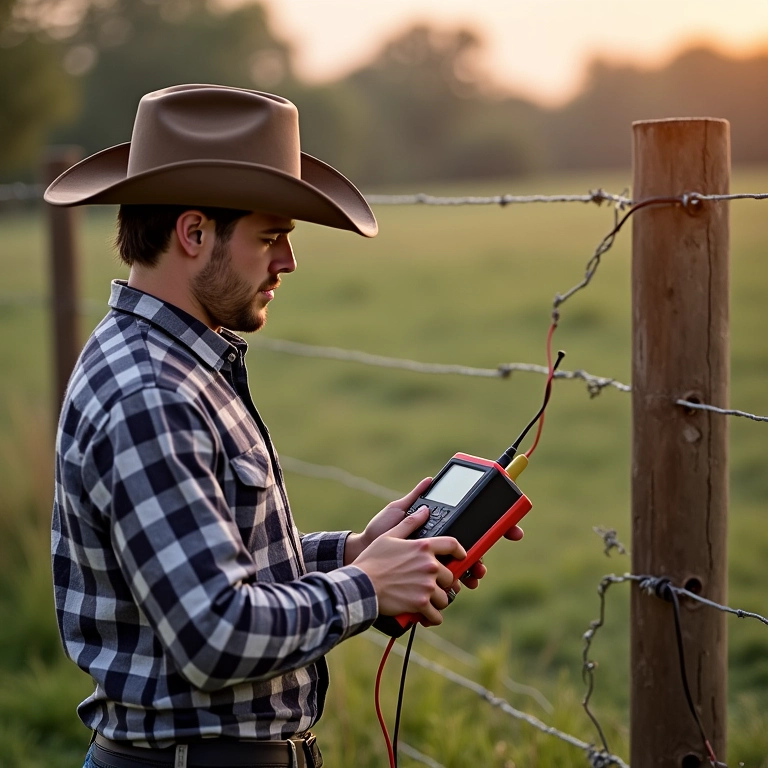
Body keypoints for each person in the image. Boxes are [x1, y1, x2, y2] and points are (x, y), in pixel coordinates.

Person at [46, 84, 523, 768]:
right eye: (270, 237)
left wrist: (354, 553)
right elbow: (214, 632)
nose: (287, 263)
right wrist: (369, 589)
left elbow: (209, 556)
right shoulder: (152, 394)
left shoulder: (167, 361)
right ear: (194, 232)